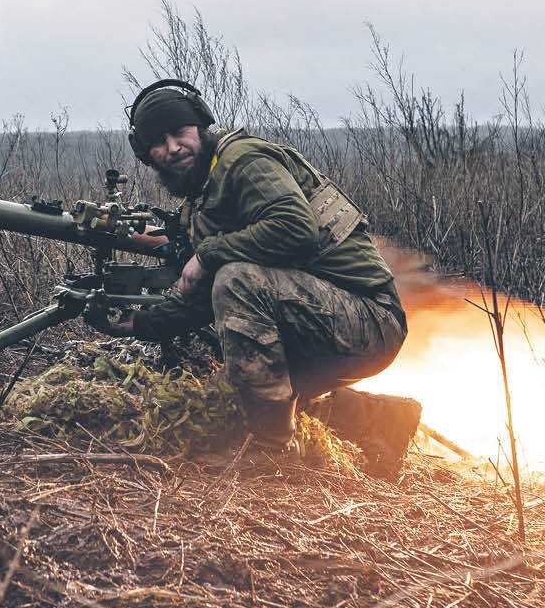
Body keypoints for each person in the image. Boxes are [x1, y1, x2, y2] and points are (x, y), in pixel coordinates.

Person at [92, 80, 422, 473]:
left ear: (200, 127)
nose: (173, 148)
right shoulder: (203, 197)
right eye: (158, 143)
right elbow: (201, 297)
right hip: (326, 320)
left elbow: (294, 228)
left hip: (368, 318)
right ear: (146, 155)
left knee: (236, 280)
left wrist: (208, 254)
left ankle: (273, 453)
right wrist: (139, 324)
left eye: (179, 133)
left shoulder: (243, 161)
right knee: (235, 396)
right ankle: (382, 421)